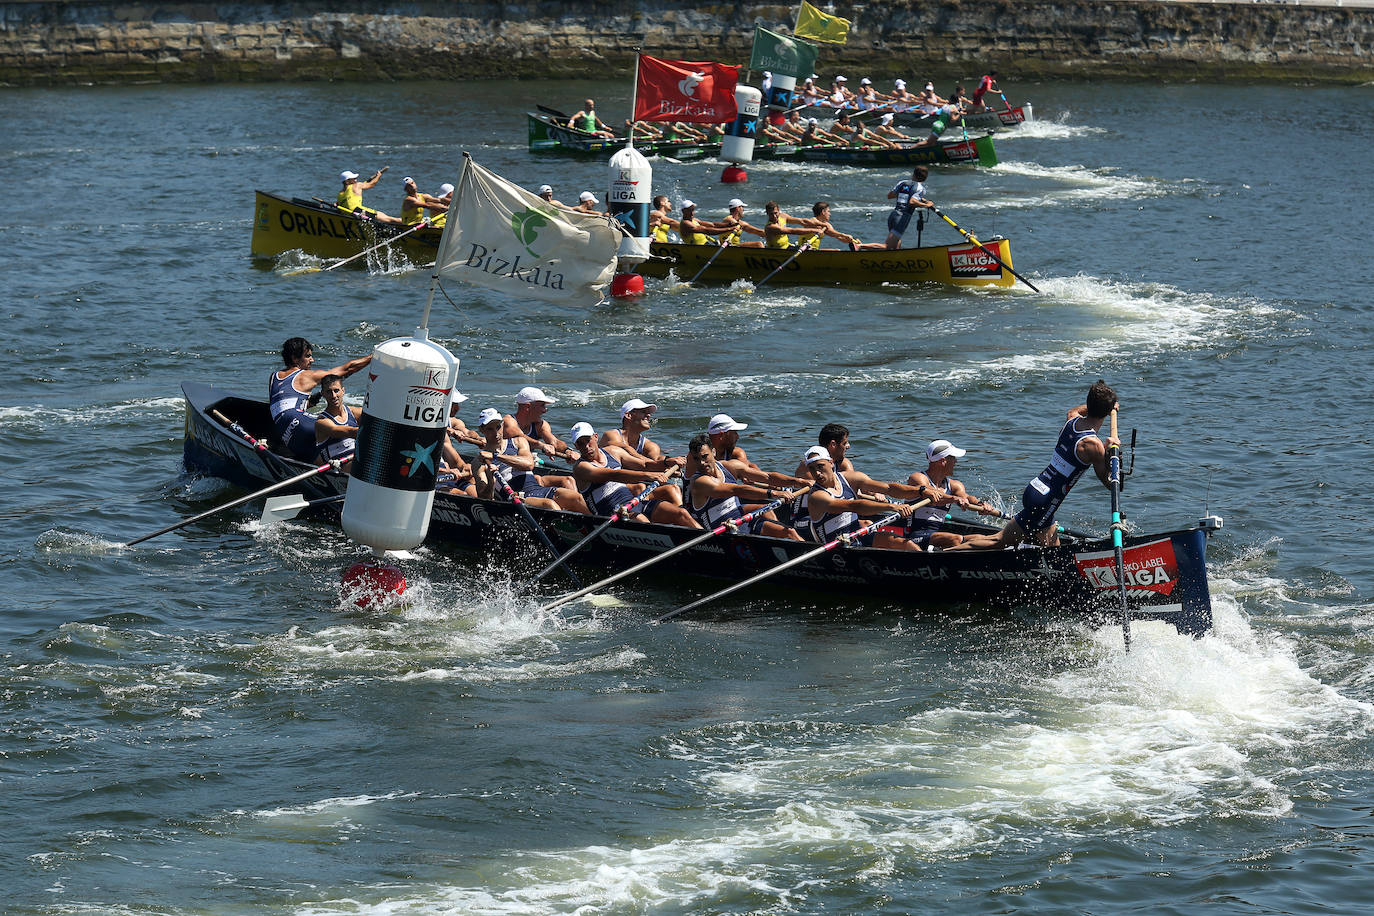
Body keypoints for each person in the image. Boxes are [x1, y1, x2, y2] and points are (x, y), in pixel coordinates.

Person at [952, 381, 1122, 551]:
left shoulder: (1071, 420)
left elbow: (1078, 410)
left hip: (1035, 489)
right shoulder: (1094, 445)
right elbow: (1110, 483)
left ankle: (1060, 573)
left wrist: (1100, 403)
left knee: (1046, 545)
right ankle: (943, 558)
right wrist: (1111, 453)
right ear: (1107, 412)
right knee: (1002, 542)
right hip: (1046, 502)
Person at [570, 422, 699, 527]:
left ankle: (713, 543)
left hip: (634, 502)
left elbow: (644, 465)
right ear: (575, 446)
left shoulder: (613, 451)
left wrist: (666, 462)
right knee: (643, 521)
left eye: (588, 440)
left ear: (595, 437)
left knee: (681, 513)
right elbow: (614, 475)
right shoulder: (581, 467)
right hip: (611, 515)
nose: (586, 446)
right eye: (580, 444)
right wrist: (650, 476)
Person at [269, 338, 372, 461]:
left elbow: (284, 405)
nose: (312, 360)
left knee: (317, 452)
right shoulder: (305, 375)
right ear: (295, 358)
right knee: (346, 419)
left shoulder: (273, 377)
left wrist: (309, 402)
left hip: (285, 433)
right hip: (301, 425)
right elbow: (347, 369)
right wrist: (373, 357)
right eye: (308, 356)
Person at [682, 433, 801, 540]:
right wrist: (773, 493)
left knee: (789, 532)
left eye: (704, 457)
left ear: (713, 452)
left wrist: (799, 481)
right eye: (697, 459)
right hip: (722, 534)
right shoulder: (699, 482)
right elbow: (737, 490)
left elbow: (768, 477)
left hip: (740, 521)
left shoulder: (729, 466)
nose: (702, 463)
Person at [794, 446, 918, 548]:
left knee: (906, 544)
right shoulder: (816, 496)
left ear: (831, 463)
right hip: (837, 548)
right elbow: (854, 506)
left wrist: (922, 491)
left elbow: (889, 488)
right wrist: (893, 506)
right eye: (812, 469)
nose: (817, 473)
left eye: (820, 466)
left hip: (858, 536)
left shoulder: (850, 478)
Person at [902, 439, 1000, 549]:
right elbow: (934, 495)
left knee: (982, 538)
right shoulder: (917, 478)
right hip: (914, 537)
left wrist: (980, 504)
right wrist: (954, 498)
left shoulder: (954, 485)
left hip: (937, 535)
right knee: (955, 539)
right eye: (953, 458)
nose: (956, 462)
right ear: (943, 461)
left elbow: (966, 497)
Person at [705, 414, 806, 491]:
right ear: (722, 435)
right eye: (734, 433)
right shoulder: (700, 457)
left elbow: (748, 467)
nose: (737, 437)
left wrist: (766, 481)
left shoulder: (736, 453)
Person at [503, 386, 578, 465]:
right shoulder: (508, 421)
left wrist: (568, 451)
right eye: (542, 406)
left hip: (526, 463)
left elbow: (554, 442)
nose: (545, 410)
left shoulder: (540, 425)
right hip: (505, 463)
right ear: (527, 407)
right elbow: (520, 438)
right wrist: (542, 446)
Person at [313, 374, 363, 468]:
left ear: (343, 391)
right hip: (339, 468)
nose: (333, 396)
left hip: (356, 461)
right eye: (328, 392)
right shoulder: (322, 422)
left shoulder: (354, 412)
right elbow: (350, 432)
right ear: (323, 394)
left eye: (336, 391)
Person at [884, 165, 934, 250]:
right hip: (902, 218)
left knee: (896, 242)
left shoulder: (902, 183)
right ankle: (860, 246)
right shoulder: (920, 188)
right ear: (925, 178)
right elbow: (912, 202)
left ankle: (897, 257)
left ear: (913, 175)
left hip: (893, 215)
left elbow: (890, 195)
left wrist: (910, 195)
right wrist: (927, 205)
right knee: (888, 246)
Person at [336, 168, 401, 224]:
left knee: (382, 218)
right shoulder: (357, 185)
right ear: (347, 181)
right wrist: (378, 176)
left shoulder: (340, 194)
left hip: (349, 214)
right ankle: (405, 222)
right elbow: (371, 184)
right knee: (386, 218)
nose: (356, 180)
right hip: (358, 211)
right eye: (354, 179)